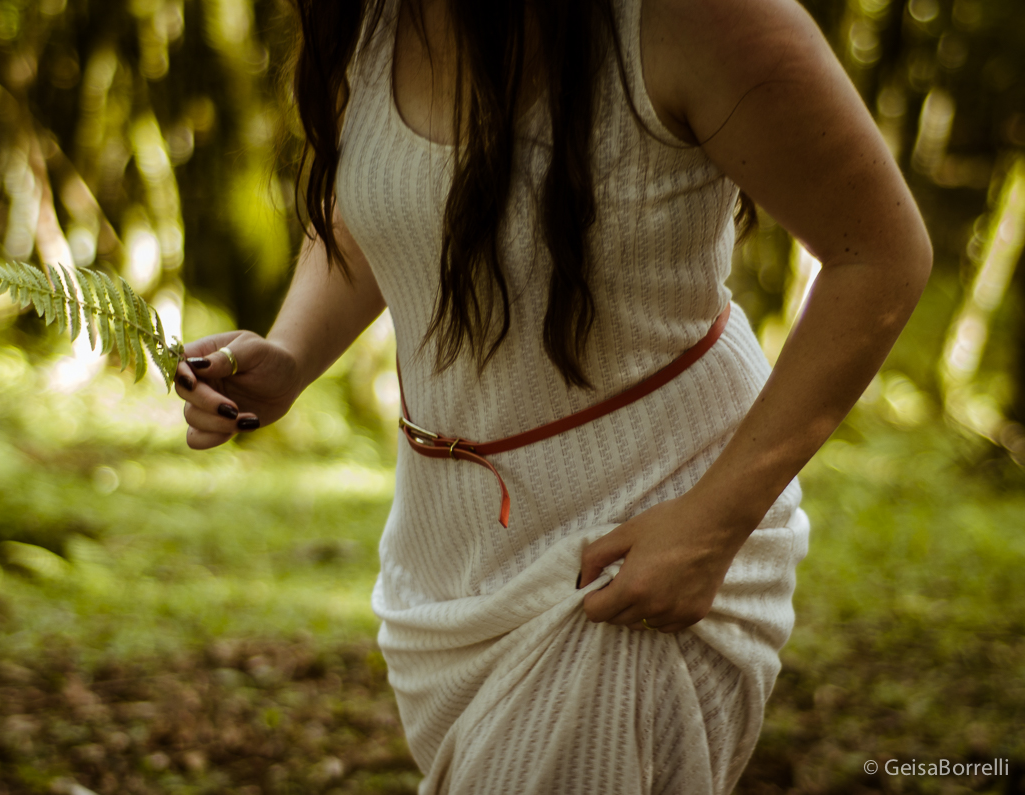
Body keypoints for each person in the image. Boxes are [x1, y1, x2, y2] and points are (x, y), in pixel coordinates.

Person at [175, 0, 932, 791]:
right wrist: (293, 352)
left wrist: (712, 524)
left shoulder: (701, 18)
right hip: (441, 566)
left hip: (640, 542)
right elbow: (391, 201)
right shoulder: (372, 17)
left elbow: (880, 253)